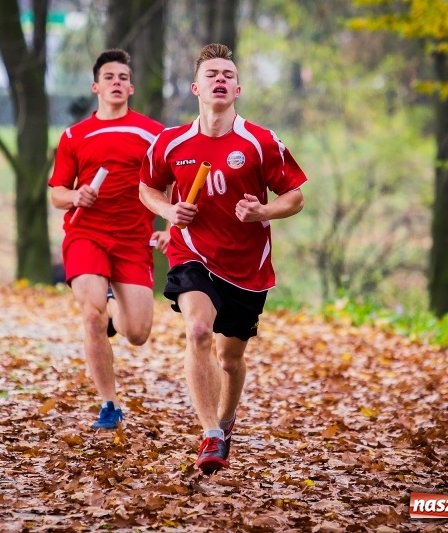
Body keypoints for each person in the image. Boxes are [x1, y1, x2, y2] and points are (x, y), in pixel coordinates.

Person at [139, 43, 307, 473]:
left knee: (230, 358)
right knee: (197, 331)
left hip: (247, 267)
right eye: (211, 73)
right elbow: (149, 188)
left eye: (227, 74)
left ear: (238, 88)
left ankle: (226, 422)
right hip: (192, 252)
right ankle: (210, 433)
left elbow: (295, 196)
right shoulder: (170, 142)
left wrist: (263, 211)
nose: (220, 79)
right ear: (196, 87)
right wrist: (168, 211)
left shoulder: (261, 143)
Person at [49, 49, 168, 430]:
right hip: (86, 234)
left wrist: (170, 226)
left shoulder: (154, 133)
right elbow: (56, 194)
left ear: (131, 87)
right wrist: (75, 196)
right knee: (91, 314)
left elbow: (174, 184)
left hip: (134, 239)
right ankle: (109, 404)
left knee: (137, 334)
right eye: (109, 77)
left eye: (122, 77)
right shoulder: (73, 136)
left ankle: (115, 305)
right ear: (95, 86)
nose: (116, 83)